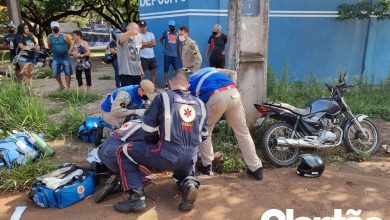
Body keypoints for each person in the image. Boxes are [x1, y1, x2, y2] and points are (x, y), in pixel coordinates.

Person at [98, 69, 208, 213]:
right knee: (183, 173)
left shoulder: (163, 98)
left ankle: (137, 199)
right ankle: (189, 185)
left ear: (170, 82)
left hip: (166, 155)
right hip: (190, 157)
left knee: (123, 151)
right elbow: (204, 135)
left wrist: (151, 144)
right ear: (188, 86)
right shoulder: (200, 104)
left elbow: (148, 129)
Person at [188, 67, 264, 181]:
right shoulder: (209, 69)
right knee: (243, 132)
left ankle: (207, 165)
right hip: (233, 93)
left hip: (216, 97)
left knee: (205, 132)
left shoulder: (189, 82)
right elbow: (232, 73)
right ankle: (256, 168)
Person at [48, 21, 73, 91]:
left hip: (65, 57)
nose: (55, 28)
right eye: (54, 27)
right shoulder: (49, 37)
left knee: (67, 72)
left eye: (56, 27)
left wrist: (68, 51)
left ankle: (68, 88)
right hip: (56, 57)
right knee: (55, 73)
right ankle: (61, 85)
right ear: (52, 28)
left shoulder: (64, 35)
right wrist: (55, 50)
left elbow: (70, 44)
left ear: (58, 27)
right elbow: (49, 46)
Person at [15, 23, 40, 88]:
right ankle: (26, 90)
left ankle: (29, 88)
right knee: (25, 74)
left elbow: (35, 44)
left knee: (30, 74)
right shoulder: (19, 36)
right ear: (21, 29)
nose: (27, 29)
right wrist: (31, 48)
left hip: (32, 57)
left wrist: (37, 47)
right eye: (25, 28)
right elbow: (21, 46)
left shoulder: (30, 36)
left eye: (28, 28)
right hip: (23, 57)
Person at [159, 20, 179, 87]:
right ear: (169, 26)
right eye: (170, 26)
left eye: (173, 26)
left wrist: (180, 54)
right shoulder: (166, 32)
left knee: (176, 71)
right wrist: (164, 46)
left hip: (175, 55)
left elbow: (179, 45)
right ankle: (166, 85)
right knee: (166, 70)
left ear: (175, 26)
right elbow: (160, 39)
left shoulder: (177, 33)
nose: (171, 27)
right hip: (167, 55)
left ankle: (174, 84)